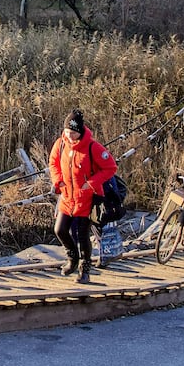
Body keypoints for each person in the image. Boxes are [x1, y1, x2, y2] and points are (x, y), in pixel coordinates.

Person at [48, 109, 117, 283]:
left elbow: (110, 167)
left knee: (82, 234)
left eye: (73, 133)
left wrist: (92, 183)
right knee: (60, 230)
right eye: (67, 132)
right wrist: (58, 181)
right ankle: (72, 257)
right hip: (67, 196)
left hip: (86, 198)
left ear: (80, 131)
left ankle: (84, 269)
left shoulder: (93, 147)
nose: (70, 136)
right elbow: (53, 163)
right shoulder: (60, 144)